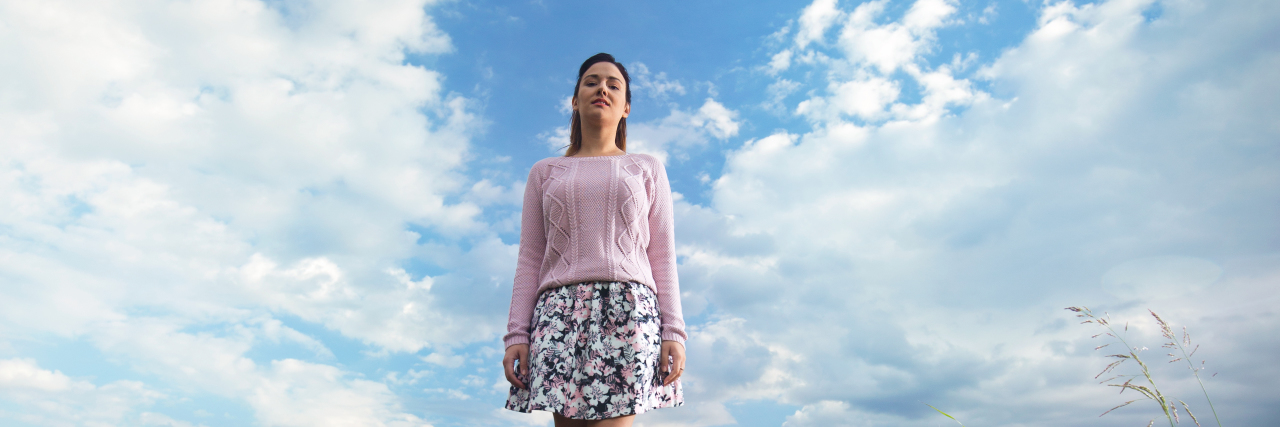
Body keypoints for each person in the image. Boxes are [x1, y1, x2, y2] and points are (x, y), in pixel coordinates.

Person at [502, 53, 687, 427]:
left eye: (612, 84)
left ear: (626, 108)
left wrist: (675, 331)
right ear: (574, 100)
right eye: (591, 81)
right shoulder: (545, 172)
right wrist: (516, 334)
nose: (601, 87)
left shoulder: (646, 168)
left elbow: (662, 254)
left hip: (628, 311)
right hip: (559, 313)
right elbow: (530, 256)